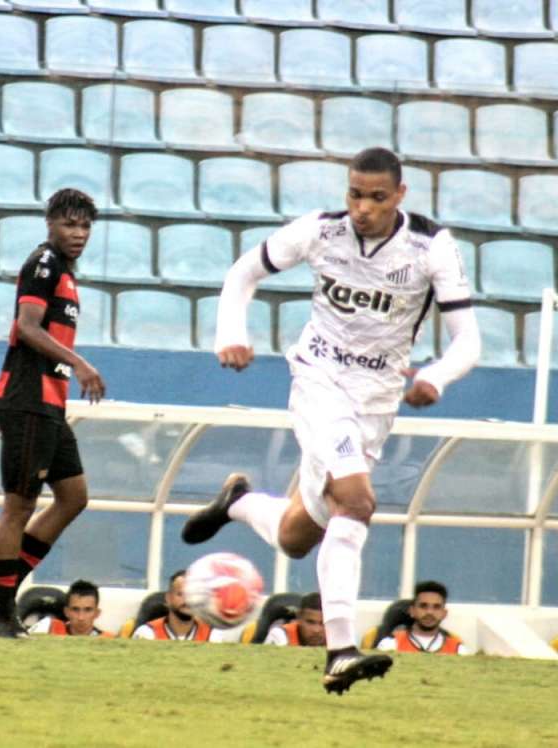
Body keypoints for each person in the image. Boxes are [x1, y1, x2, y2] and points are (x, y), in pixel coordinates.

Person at [181, 147, 480, 693]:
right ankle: (340, 650)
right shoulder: (320, 231)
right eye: (355, 194)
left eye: (376, 197)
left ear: (400, 196)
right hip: (319, 381)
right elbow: (244, 272)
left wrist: (436, 376)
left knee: (299, 537)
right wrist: (231, 331)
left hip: (377, 400)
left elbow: (468, 342)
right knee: (358, 502)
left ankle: (239, 503)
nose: (362, 208)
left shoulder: (430, 246)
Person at [0, 189, 106, 638]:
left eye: (85, 226)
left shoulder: (66, 274)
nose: (78, 234)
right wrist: (80, 363)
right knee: (18, 507)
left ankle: (2, 586)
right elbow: (26, 328)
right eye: (70, 224)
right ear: (50, 223)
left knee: (74, 496)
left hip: (48, 401)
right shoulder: (44, 264)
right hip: (29, 399)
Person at [132, 570, 232, 642]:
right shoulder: (147, 634)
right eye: (181, 594)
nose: (187, 600)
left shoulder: (212, 635)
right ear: (168, 598)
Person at [376, 581, 470, 655]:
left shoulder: (458, 650)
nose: (429, 612)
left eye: (436, 607)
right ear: (412, 611)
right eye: (423, 606)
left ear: (444, 613)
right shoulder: (391, 645)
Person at [29, 579, 113, 637]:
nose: (81, 617)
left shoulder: (107, 639)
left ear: (97, 613)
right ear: (66, 612)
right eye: (75, 609)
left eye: (88, 610)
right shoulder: (48, 627)